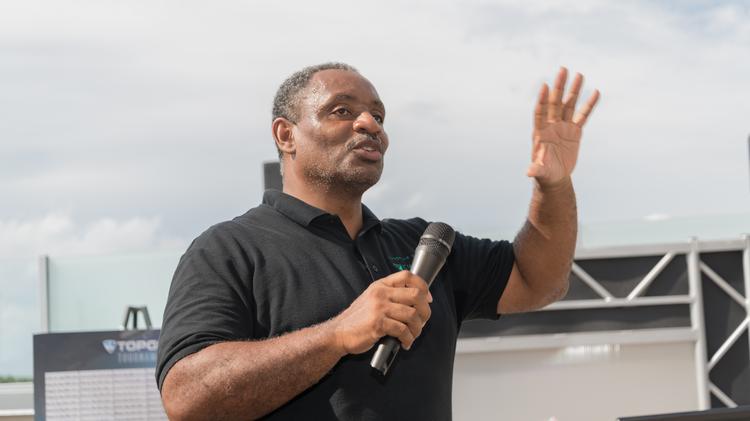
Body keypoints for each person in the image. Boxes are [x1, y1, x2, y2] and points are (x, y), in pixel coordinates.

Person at [156, 62, 599, 420]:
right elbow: (187, 399)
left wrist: (554, 186)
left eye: (378, 115)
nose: (369, 123)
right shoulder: (228, 250)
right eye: (342, 110)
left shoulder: (427, 244)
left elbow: (538, 280)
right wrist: (337, 335)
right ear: (285, 134)